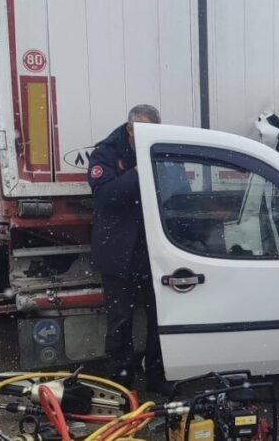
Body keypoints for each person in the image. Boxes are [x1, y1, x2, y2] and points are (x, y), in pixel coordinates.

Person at [88, 104, 167, 392]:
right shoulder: (105, 153)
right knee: (120, 321)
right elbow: (105, 195)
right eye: (144, 132)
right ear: (130, 129)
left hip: (153, 252)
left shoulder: (160, 148)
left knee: (160, 319)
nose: (149, 138)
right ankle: (121, 382)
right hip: (118, 252)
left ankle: (158, 377)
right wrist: (138, 171)